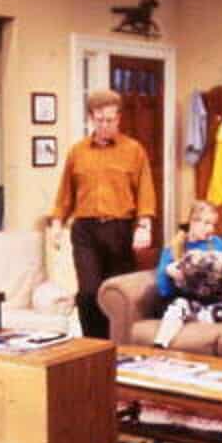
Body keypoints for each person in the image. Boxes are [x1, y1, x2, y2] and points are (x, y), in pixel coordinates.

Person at [50, 89, 156, 339]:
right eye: (99, 120)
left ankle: (117, 346)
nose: (104, 125)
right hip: (85, 230)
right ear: (90, 118)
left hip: (119, 229)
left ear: (118, 118)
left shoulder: (134, 150)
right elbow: (65, 192)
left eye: (110, 120)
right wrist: (57, 223)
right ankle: (93, 346)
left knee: (116, 293)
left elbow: (145, 191)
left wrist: (144, 226)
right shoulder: (77, 152)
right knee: (88, 293)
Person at [152, 200, 222, 348]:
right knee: (178, 306)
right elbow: (163, 290)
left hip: (214, 302)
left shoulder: (217, 243)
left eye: (213, 224)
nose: (211, 229)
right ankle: (159, 346)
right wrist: (170, 273)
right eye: (206, 223)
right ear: (192, 222)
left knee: (219, 311)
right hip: (188, 301)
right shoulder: (174, 247)